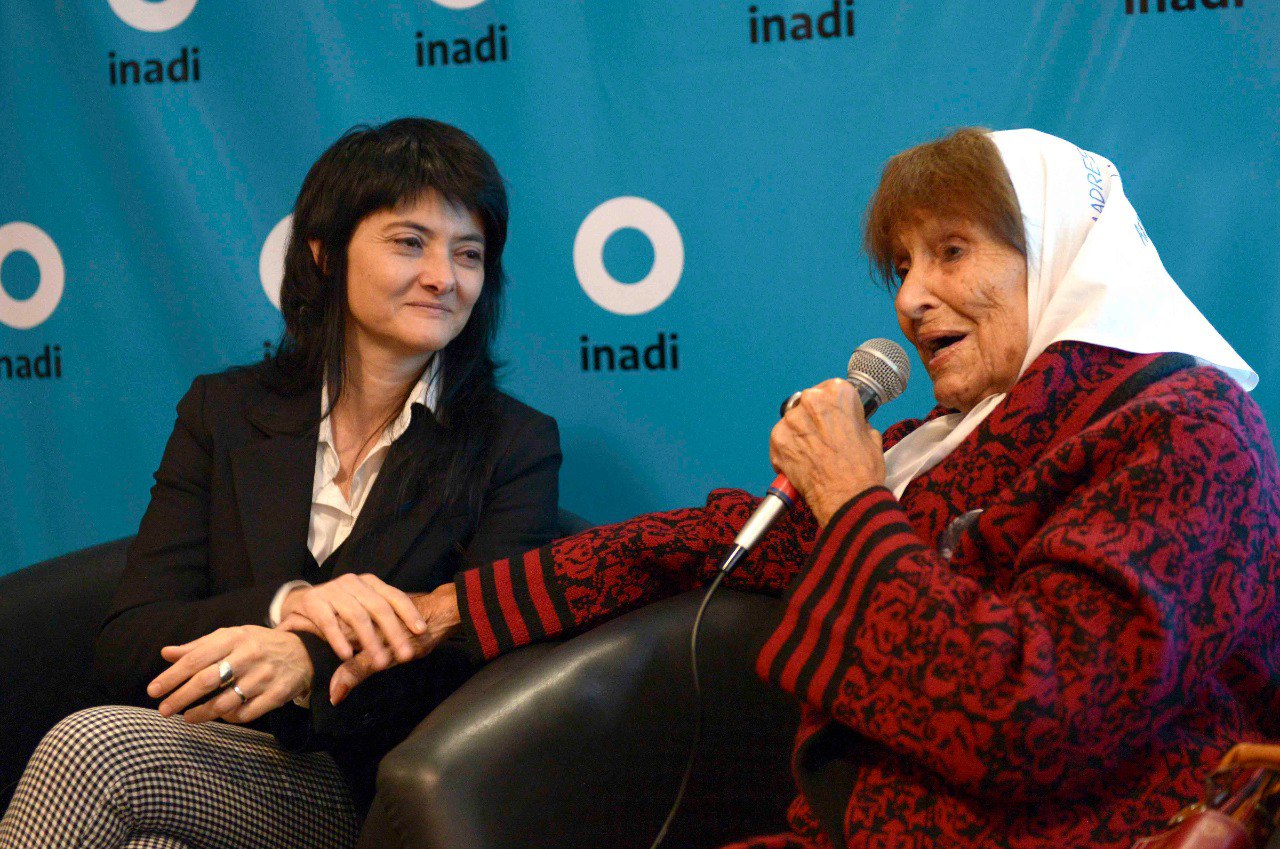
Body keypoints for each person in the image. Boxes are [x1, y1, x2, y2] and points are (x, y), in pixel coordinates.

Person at [320, 128, 1280, 848]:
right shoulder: (935, 447)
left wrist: (857, 503)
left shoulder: (1187, 428)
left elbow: (1039, 717)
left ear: (1066, 254)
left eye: (951, 252)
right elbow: (698, 542)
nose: (909, 299)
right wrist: (445, 608)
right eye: (901, 267)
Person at [0, 117, 562, 848]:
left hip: (374, 789)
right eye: (409, 242)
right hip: (210, 762)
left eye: (469, 253)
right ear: (326, 255)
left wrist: (307, 660)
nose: (443, 277)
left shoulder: (513, 443)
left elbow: (480, 654)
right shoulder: (226, 411)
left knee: (97, 748)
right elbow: (129, 638)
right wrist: (290, 605)